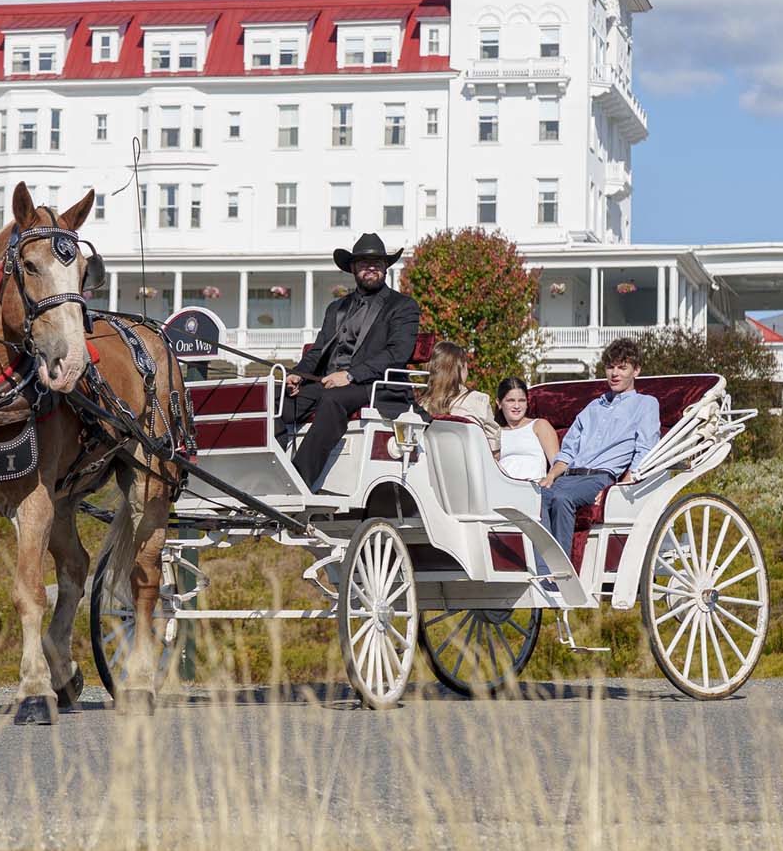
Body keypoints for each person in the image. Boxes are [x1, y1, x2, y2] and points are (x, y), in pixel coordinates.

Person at [278, 231, 421, 487]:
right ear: (353, 268)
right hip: (331, 383)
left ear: (386, 268)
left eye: (377, 263)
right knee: (278, 403)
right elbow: (318, 350)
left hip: (375, 385)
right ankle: (270, 476)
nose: (371, 268)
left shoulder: (402, 306)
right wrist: (297, 374)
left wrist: (350, 375)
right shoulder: (337, 308)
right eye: (364, 263)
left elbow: (397, 354)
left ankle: (297, 482)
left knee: (333, 401)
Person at [532, 336, 660, 605]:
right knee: (536, 495)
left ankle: (561, 574)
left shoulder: (646, 405)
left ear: (636, 371)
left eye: (622, 367)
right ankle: (540, 571)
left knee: (562, 498)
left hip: (601, 478)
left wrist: (625, 483)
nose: (615, 373)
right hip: (570, 475)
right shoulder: (593, 407)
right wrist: (551, 475)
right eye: (611, 367)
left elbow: (645, 448)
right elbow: (568, 450)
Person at [422, 347, 559, 484]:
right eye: (511, 400)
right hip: (491, 484)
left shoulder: (421, 405)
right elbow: (493, 451)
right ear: (499, 403)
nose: (517, 406)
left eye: (521, 400)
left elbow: (557, 462)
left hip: (531, 486)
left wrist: (549, 478)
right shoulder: (479, 402)